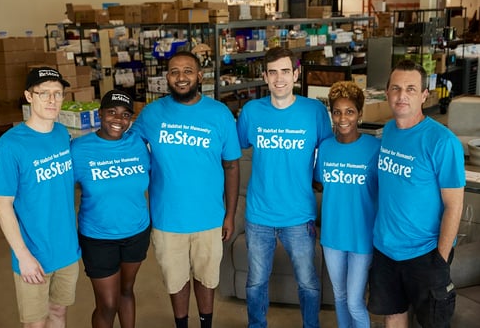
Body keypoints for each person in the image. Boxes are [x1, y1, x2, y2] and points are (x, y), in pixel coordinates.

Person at [131, 51, 241, 328]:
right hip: (168, 219)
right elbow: (129, 151)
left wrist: (229, 215)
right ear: (167, 77)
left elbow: (231, 167)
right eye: (174, 72)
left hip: (209, 218)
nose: (181, 77)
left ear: (199, 76)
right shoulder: (152, 114)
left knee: (207, 278)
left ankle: (206, 324)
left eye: (188, 71)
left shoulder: (219, 114)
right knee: (175, 280)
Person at [236, 46, 333, 328]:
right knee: (255, 282)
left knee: (308, 282)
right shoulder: (251, 112)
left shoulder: (314, 111)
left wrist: (316, 180)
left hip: (299, 215)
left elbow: (326, 151)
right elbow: (237, 150)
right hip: (259, 215)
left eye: (285, 71)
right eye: (273, 72)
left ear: (296, 73)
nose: (279, 79)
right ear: (264, 76)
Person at [368, 59, 466, 328]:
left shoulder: (442, 142)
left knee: (432, 323)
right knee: (393, 315)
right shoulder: (388, 130)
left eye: (411, 89)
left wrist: (441, 259)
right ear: (386, 93)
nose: (402, 96)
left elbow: (454, 206)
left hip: (425, 253)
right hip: (386, 249)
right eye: (396, 88)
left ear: (424, 95)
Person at [0, 67, 81, 327]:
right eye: (44, 94)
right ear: (29, 97)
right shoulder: (10, 146)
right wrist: (23, 256)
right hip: (33, 253)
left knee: (59, 313)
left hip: (66, 249)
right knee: (36, 323)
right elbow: (3, 204)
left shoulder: (62, 134)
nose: (52, 100)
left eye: (58, 93)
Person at [71, 90, 151, 328]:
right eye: (112, 112)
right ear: (100, 114)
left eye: (125, 115)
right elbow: (60, 193)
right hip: (98, 237)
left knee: (126, 291)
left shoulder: (138, 143)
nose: (119, 120)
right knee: (107, 303)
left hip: (136, 232)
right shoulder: (79, 149)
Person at [313, 81, 379, 328]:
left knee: (354, 301)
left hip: (362, 237)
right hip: (332, 237)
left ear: (360, 114)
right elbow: (320, 183)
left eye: (349, 111)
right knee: (339, 297)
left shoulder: (375, 149)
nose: (343, 118)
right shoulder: (326, 148)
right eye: (337, 111)